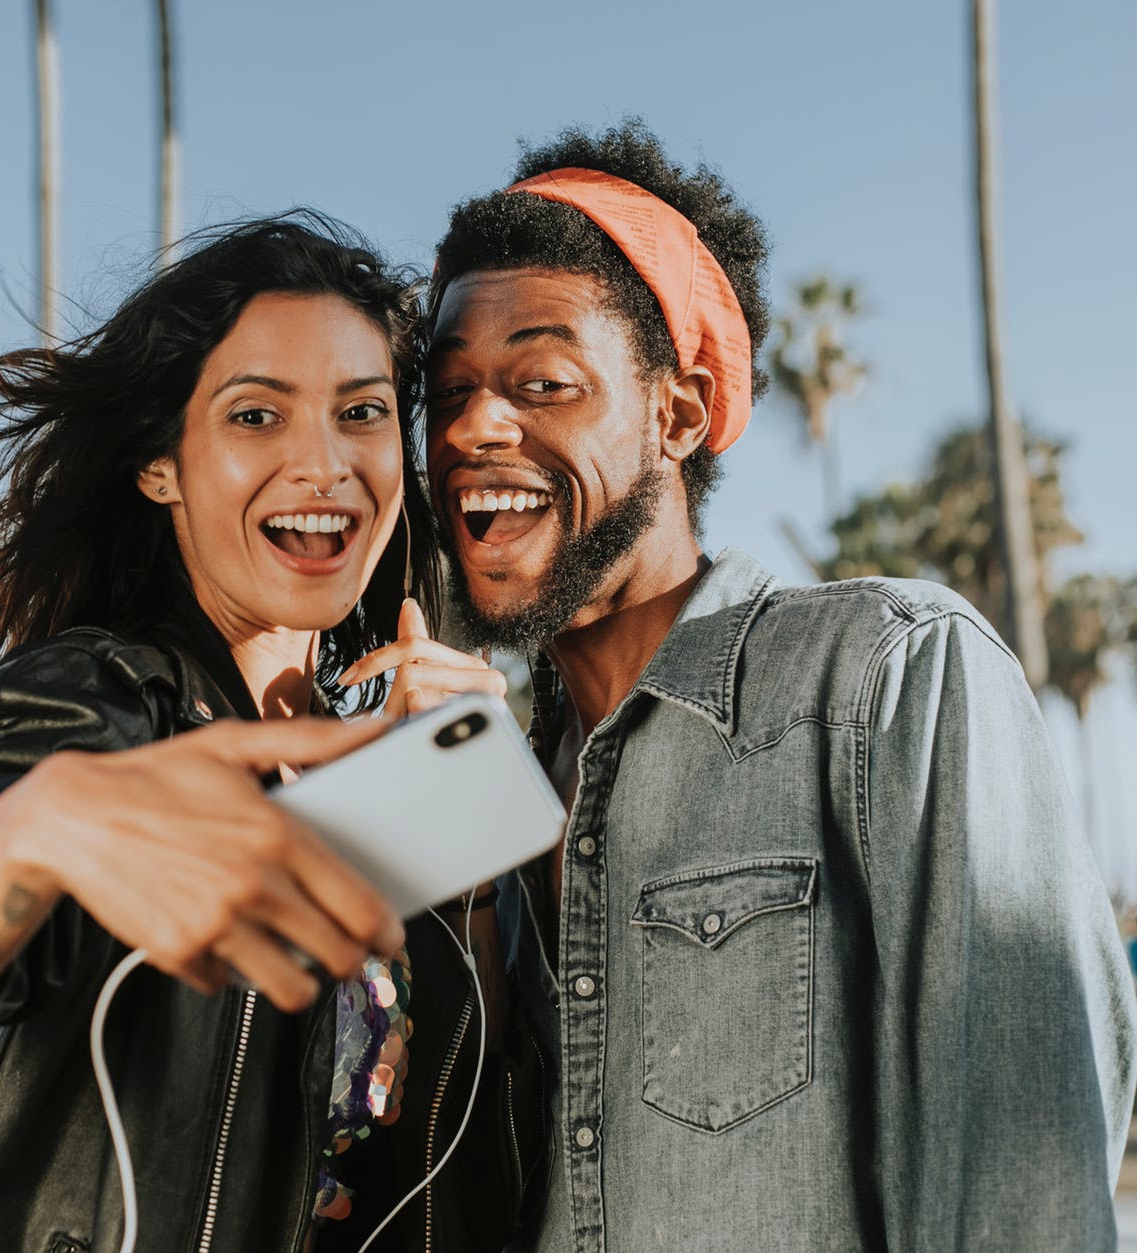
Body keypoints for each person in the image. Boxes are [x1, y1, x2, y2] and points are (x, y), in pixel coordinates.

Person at [419, 119, 1137, 1248]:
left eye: (539, 380)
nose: (470, 425)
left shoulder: (888, 676)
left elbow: (1026, 1198)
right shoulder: (482, 793)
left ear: (680, 411)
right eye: (446, 389)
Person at [0, 215, 540, 1252]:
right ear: (160, 467)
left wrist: (472, 835)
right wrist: (32, 830)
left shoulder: (395, 756)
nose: (322, 463)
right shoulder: (100, 701)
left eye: (359, 412)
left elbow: (473, 1149)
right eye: (256, 415)